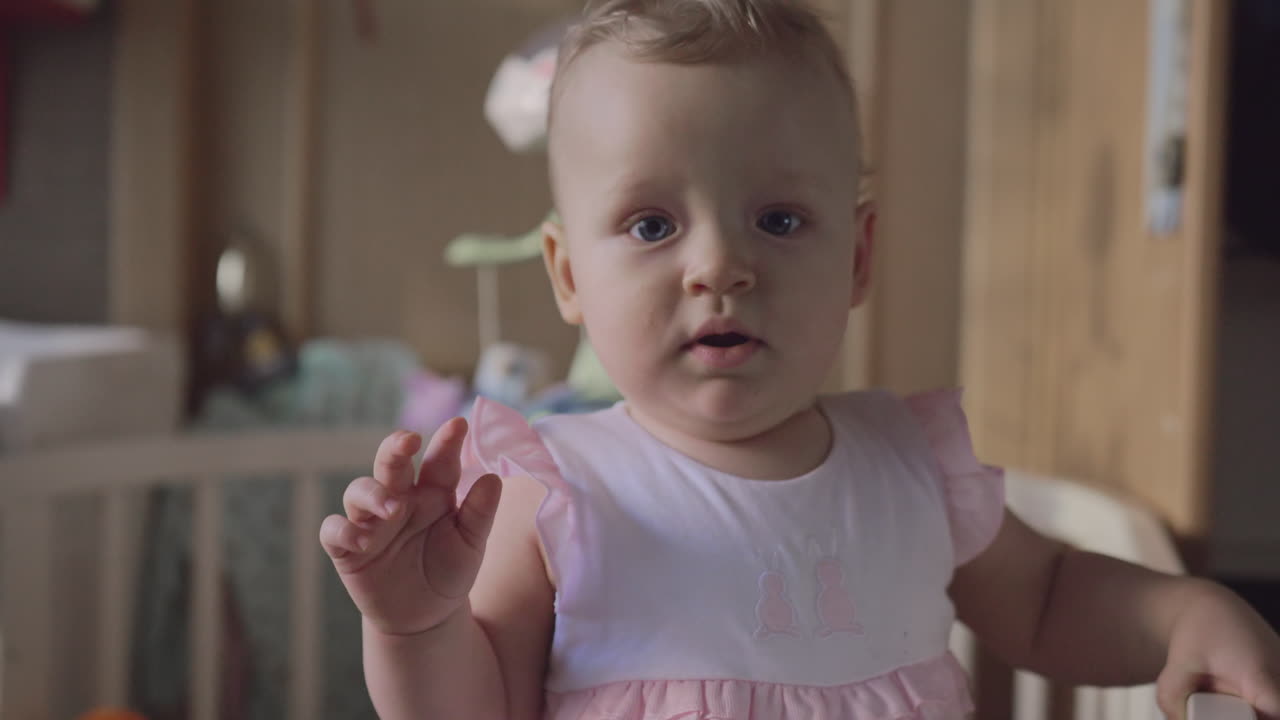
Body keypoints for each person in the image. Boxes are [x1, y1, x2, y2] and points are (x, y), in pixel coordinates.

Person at [319, 1, 1280, 718]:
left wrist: (1181, 613)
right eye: (652, 224)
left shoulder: (913, 464)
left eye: (779, 220)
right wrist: (415, 627)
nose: (720, 267)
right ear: (570, 275)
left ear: (856, 257)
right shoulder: (558, 490)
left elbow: (1049, 596)